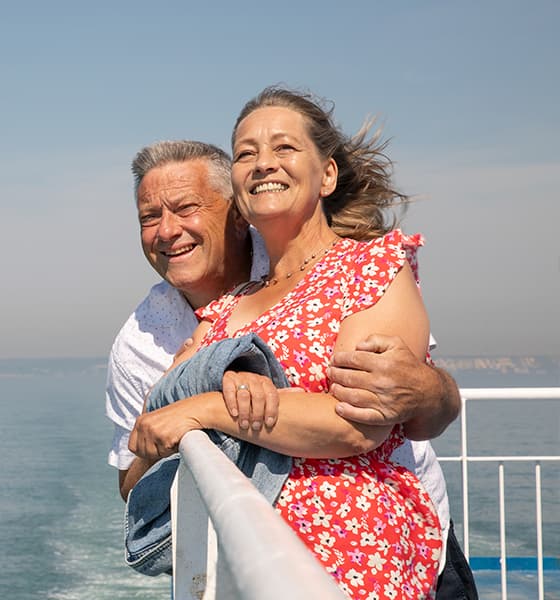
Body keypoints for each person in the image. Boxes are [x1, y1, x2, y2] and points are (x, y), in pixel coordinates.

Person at [106, 133, 476, 596]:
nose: (166, 230)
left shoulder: (317, 263)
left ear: (238, 214)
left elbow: (403, 408)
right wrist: (163, 411)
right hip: (252, 561)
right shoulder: (139, 344)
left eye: (185, 208)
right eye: (149, 217)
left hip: (392, 547)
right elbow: (131, 482)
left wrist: (437, 393)